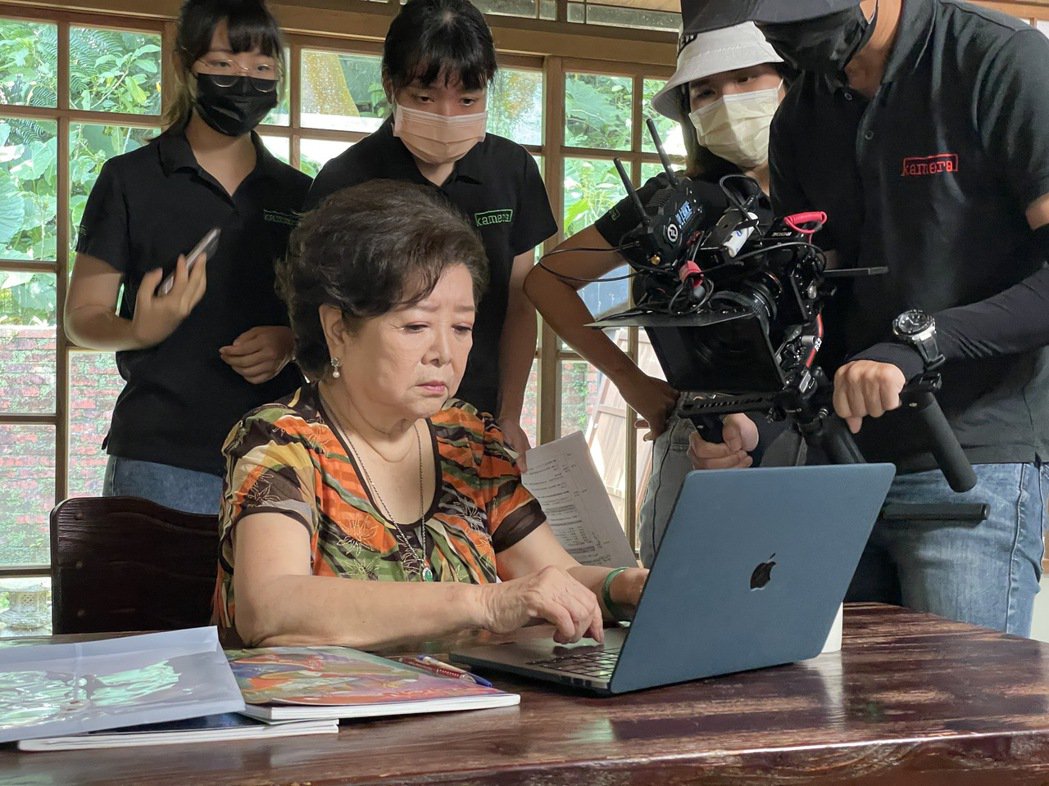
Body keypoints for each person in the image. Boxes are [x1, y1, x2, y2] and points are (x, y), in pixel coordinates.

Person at [681, 0, 1049, 635]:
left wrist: (922, 343)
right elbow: (810, 298)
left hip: (970, 457)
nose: (793, 40)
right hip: (838, 467)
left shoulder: (1000, 60)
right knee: (836, 718)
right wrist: (752, 414)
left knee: (954, 724)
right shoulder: (802, 114)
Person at [213, 180, 647, 649]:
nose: (444, 353)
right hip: (336, 717)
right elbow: (270, 606)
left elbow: (553, 575)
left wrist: (624, 588)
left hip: (479, 711)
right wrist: (485, 603)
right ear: (338, 329)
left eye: (462, 327)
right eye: (416, 325)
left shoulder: (467, 441)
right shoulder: (281, 442)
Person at [524, 23, 787, 565]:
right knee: (679, 607)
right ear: (688, 110)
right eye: (707, 91)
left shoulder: (837, 194)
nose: (729, 101)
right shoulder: (671, 202)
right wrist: (631, 381)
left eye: (745, 78)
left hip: (809, 441)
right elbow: (547, 278)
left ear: (786, 81)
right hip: (700, 438)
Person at [65, 0, 310, 514]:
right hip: (160, 454)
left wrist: (291, 341)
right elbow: (81, 319)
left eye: (262, 69)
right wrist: (140, 330)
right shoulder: (129, 179)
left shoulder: (300, 194)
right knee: (156, 597)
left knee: (270, 597)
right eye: (223, 64)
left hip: (279, 451)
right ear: (184, 66)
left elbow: (332, 319)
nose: (244, 81)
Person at [302, 0, 556, 457]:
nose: (446, 115)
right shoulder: (346, 179)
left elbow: (520, 306)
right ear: (390, 85)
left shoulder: (511, 170)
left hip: (476, 422)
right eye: (424, 98)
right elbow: (322, 316)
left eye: (467, 100)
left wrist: (509, 414)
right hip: (369, 429)